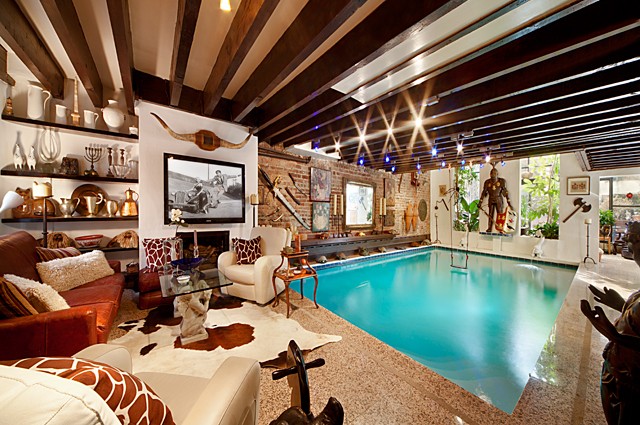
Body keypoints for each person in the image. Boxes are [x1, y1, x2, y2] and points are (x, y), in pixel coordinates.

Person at [581, 221, 640, 424]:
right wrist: (621, 304)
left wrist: (614, 335)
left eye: (631, 239)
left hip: (631, 382)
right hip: (622, 377)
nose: (626, 244)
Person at [478, 165, 512, 232]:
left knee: (500, 214)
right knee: (490, 214)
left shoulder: (501, 181)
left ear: (497, 174)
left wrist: (509, 203)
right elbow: (483, 192)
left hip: (498, 199)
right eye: (491, 173)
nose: (493, 175)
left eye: (494, 173)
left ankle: (500, 227)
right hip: (491, 198)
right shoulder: (487, 182)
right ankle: (489, 227)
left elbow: (505, 192)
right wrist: (480, 202)